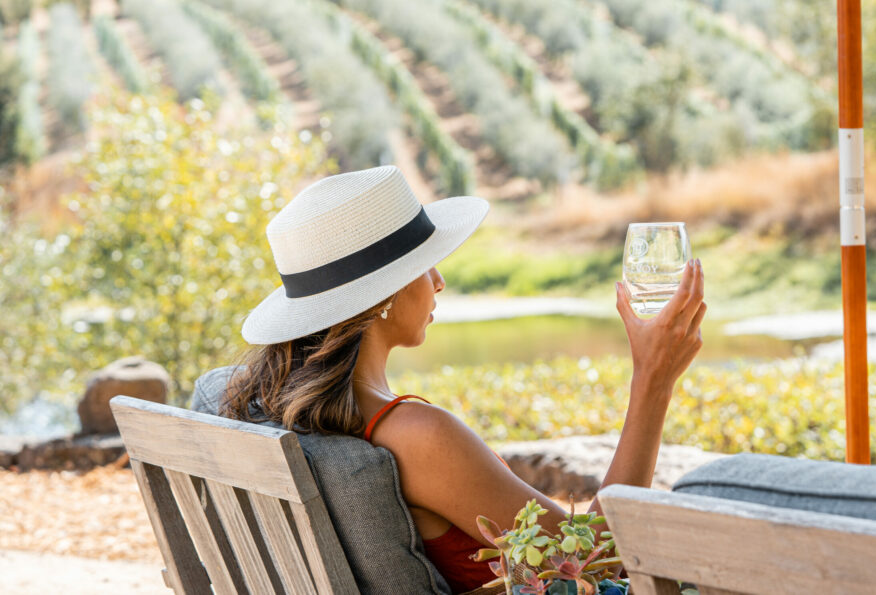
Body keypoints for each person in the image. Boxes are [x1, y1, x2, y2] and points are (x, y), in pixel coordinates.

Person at [216, 165, 706, 593]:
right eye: (425, 264)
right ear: (384, 294)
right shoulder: (417, 435)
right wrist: (653, 379)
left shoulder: (277, 401)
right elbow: (595, 556)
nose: (439, 281)